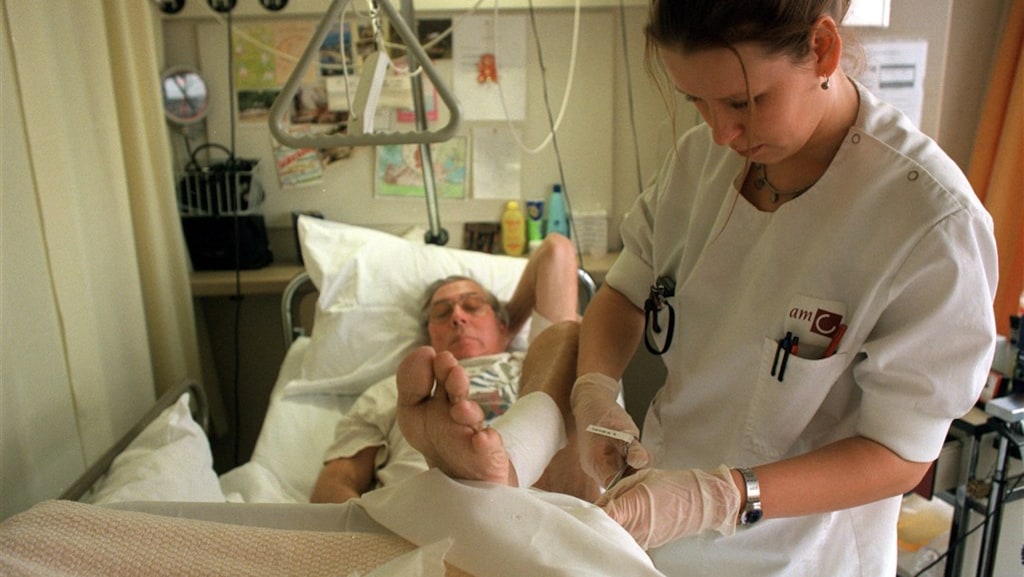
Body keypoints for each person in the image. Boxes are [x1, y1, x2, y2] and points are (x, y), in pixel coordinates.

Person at [396, 1, 999, 575]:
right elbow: (625, 294)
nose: (721, 134)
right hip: (650, 532)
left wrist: (722, 496)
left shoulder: (930, 226)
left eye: (744, 101)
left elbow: (900, 454)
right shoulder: (699, 163)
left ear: (821, 49)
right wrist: (595, 391)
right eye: (697, 102)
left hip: (795, 556)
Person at [310, 233, 598, 503]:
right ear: (429, 335)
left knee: (568, 348)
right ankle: (479, 483)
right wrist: (372, 535)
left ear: (502, 323)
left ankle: (500, 476)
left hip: (535, 496)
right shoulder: (397, 389)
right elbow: (336, 482)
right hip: (425, 526)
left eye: (473, 306)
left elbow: (555, 251)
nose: (458, 317)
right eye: (442, 313)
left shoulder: (542, 363)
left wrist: (510, 325)